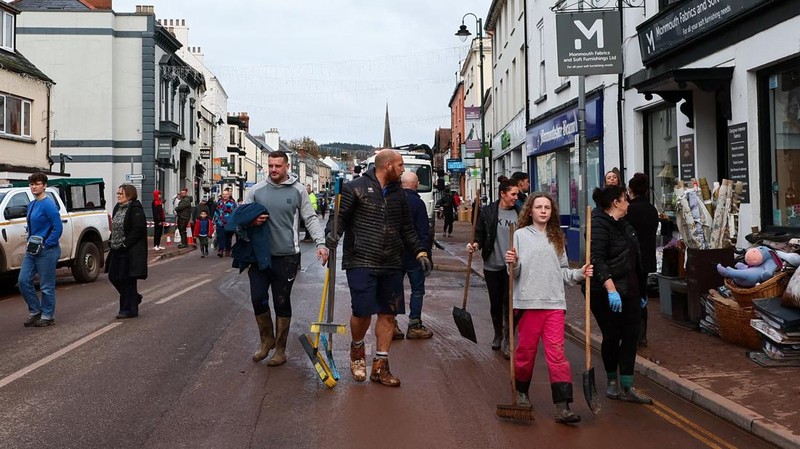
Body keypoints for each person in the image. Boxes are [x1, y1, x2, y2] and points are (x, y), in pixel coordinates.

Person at [326, 149, 432, 387]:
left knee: (388, 313)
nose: (404, 169)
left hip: (392, 262)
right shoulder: (356, 188)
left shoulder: (400, 195)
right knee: (362, 312)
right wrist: (330, 239)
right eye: (401, 165)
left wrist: (420, 252)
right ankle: (357, 349)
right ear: (387, 166)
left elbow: (407, 228)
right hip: (361, 260)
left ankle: (380, 367)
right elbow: (338, 218)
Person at [505, 193, 592, 423]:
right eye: (538, 207)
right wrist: (512, 263)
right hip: (527, 303)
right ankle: (522, 392)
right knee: (525, 352)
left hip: (554, 303)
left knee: (557, 355)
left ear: (551, 211)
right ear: (530, 211)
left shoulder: (557, 237)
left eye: (547, 207)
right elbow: (513, 274)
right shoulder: (520, 236)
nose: (543, 211)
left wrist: (580, 274)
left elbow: (563, 272)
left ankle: (563, 406)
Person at [244, 150, 329, 366]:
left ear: (287, 166)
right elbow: (241, 217)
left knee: (281, 301)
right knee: (257, 298)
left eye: (277, 166)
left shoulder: (298, 190)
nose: (273, 170)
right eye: (270, 166)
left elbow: (309, 218)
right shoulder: (256, 191)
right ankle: (266, 341)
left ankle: (280, 349)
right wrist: (251, 221)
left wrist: (320, 243)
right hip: (259, 256)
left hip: (287, 257)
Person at [589, 185, 652, 404]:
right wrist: (611, 289)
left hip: (631, 291)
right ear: (616, 202)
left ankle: (627, 385)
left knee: (631, 336)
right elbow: (597, 259)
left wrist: (642, 290)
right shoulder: (597, 224)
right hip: (605, 293)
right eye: (625, 199)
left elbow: (636, 260)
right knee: (612, 336)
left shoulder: (625, 225)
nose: (628, 202)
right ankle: (612, 383)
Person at [466, 180, 519, 357]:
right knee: (495, 303)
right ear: (503, 194)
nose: (516, 198)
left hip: (513, 267)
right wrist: (475, 244)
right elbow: (480, 233)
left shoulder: (521, 212)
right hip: (492, 265)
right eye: (513, 194)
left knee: (510, 303)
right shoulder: (488, 212)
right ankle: (498, 333)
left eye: (517, 194)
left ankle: (508, 339)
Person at [20, 172, 63, 327]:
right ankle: (35, 311)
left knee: (46, 285)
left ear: (44, 185)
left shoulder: (49, 205)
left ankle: (47, 315)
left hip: (47, 251)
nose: (34, 186)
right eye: (32, 184)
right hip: (32, 250)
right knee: (23, 281)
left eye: (37, 184)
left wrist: (47, 243)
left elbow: (57, 227)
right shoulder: (32, 204)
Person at [396, 171, 434, 340]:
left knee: (394, 289)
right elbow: (424, 231)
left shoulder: (393, 201)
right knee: (417, 290)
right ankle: (414, 325)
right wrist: (425, 253)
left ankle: (392, 325)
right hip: (415, 254)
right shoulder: (418, 204)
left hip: (395, 254)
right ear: (416, 185)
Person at [626, 173, 659, 347]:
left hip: (631, 260)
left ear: (630, 190)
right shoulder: (652, 209)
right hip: (646, 259)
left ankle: (632, 334)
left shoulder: (629, 210)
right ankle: (642, 334)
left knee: (631, 295)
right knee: (642, 296)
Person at [105, 184, 147, 319]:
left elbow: (137, 229)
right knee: (113, 276)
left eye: (121, 194)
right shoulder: (118, 207)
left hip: (129, 250)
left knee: (126, 279)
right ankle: (134, 298)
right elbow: (115, 227)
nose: (118, 196)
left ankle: (127, 309)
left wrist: (125, 244)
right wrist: (112, 240)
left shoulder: (135, 209)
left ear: (129, 195)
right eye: (118, 193)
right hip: (116, 248)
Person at [214, 188, 237, 257]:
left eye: (226, 194)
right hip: (220, 222)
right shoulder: (219, 202)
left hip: (228, 223)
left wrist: (234, 222)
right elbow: (216, 212)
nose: (224, 196)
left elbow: (235, 213)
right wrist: (215, 222)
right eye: (223, 194)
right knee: (221, 236)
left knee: (228, 238)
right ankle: (220, 250)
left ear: (229, 195)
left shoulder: (232, 203)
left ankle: (228, 250)